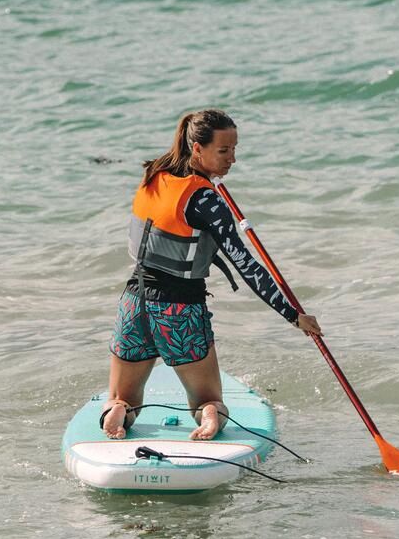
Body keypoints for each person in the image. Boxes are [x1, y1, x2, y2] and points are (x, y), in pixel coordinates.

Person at [103, 109, 323, 441]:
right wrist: (293, 315)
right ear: (197, 149)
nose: (232, 159)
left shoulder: (154, 176)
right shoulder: (206, 199)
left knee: (123, 397)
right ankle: (209, 419)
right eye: (224, 151)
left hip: (134, 305)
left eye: (234, 149)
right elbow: (246, 265)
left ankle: (117, 411)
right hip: (178, 313)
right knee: (208, 400)